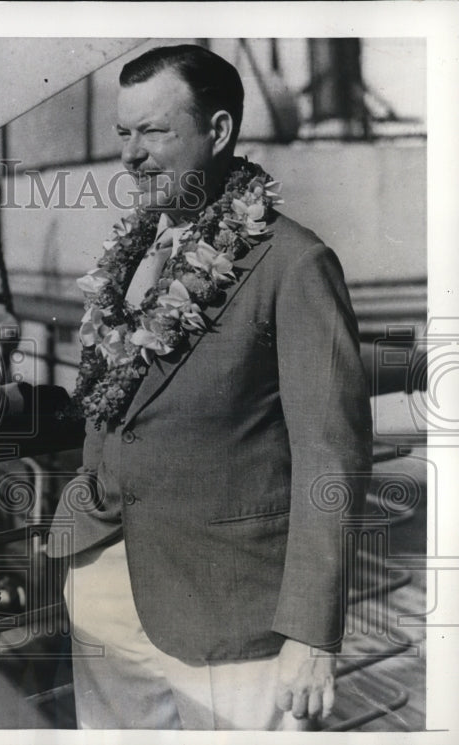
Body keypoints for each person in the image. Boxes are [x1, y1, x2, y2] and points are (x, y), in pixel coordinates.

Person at [45, 44, 373, 730]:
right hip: (107, 583)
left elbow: (330, 456)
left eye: (154, 131)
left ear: (218, 131)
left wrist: (313, 634)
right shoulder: (130, 254)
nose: (131, 154)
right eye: (123, 132)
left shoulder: (295, 263)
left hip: (233, 611)